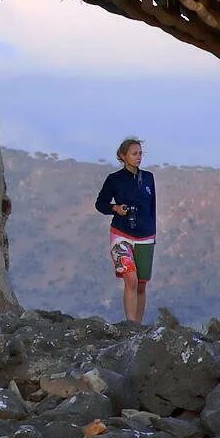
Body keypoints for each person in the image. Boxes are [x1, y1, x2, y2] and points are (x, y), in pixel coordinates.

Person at [94, 136, 156, 324]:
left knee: (141, 286)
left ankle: (138, 325)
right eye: (134, 153)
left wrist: (153, 235)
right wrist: (116, 208)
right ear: (123, 156)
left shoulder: (148, 178)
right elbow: (100, 204)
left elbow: (152, 208)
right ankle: (130, 325)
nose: (138, 157)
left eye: (140, 153)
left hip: (146, 235)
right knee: (131, 280)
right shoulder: (114, 180)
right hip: (121, 234)